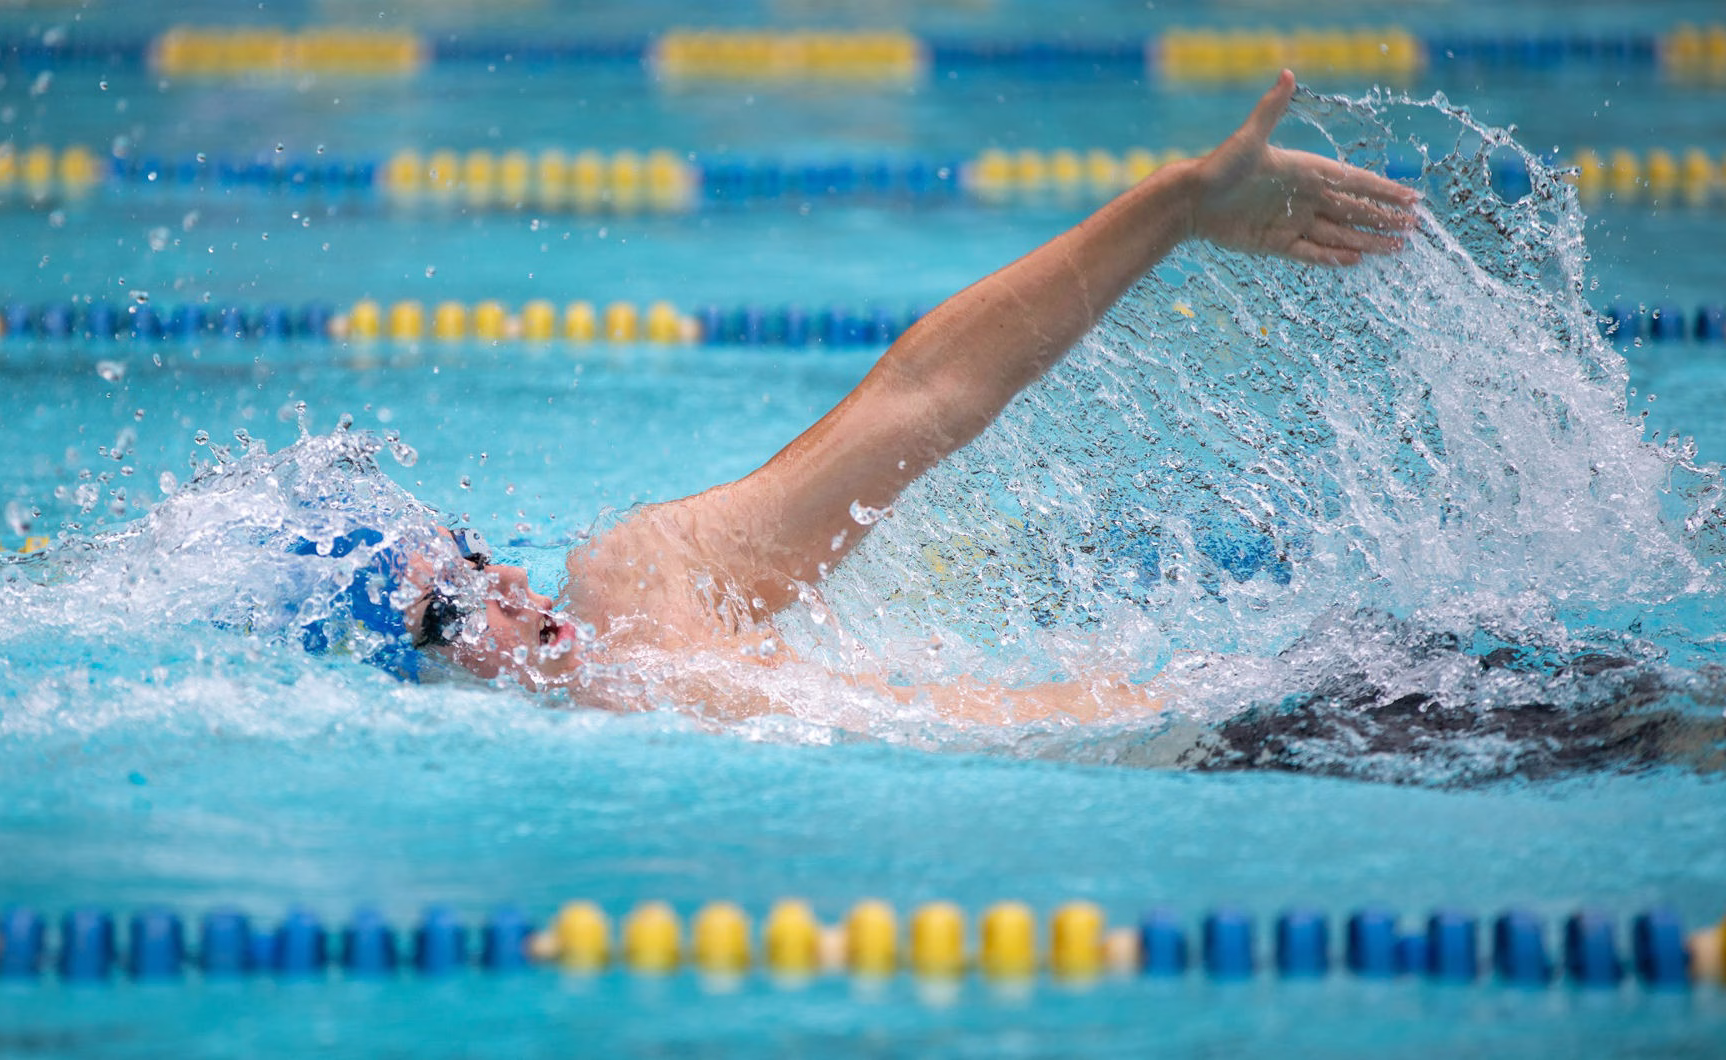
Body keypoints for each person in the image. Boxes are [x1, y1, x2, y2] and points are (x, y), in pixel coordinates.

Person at [357, 71, 1419, 724]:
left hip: (1266, 719)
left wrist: (1173, 207)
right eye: (448, 607)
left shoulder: (637, 586)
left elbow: (919, 399)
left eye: (476, 554)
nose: (501, 587)